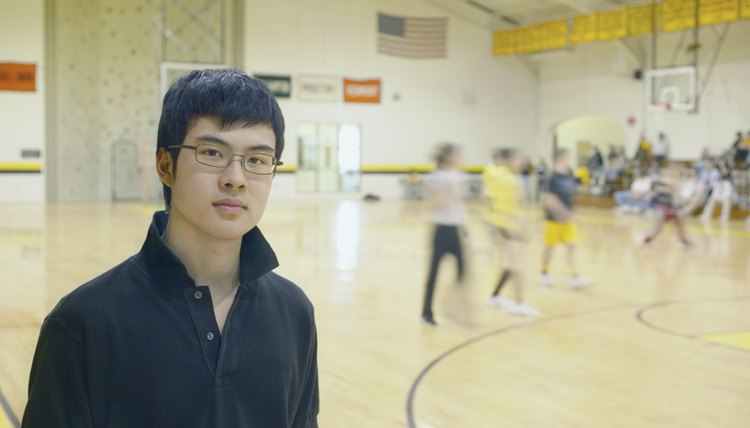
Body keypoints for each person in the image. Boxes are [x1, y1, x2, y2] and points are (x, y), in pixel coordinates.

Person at [23, 69, 319, 427]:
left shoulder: (295, 313)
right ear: (166, 165)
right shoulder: (83, 323)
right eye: (212, 152)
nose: (236, 179)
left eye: (257, 160)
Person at [483, 148, 539, 317]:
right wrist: (511, 230)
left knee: (510, 264)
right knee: (515, 263)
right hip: (500, 227)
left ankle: (494, 296)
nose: (521, 161)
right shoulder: (501, 177)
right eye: (517, 158)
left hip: (503, 226)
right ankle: (519, 303)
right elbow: (490, 200)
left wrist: (519, 226)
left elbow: (509, 205)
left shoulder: (509, 177)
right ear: (508, 160)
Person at [421, 144, 468, 326]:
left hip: (455, 228)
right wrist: (445, 194)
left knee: (462, 270)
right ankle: (427, 312)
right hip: (441, 229)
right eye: (456, 154)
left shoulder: (457, 176)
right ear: (447, 156)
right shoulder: (437, 177)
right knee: (433, 273)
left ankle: (454, 306)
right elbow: (434, 203)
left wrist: (464, 224)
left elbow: (459, 203)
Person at [540, 148, 589, 288]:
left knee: (571, 246)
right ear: (560, 158)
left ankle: (574, 276)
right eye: (568, 157)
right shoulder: (552, 177)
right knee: (549, 247)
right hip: (554, 220)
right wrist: (564, 212)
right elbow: (548, 199)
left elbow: (571, 193)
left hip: (567, 221)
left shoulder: (569, 174)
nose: (570, 160)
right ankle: (544, 273)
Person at [643, 164, 692, 249]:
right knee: (658, 227)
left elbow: (676, 191)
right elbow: (654, 192)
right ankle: (646, 241)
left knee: (680, 224)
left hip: (671, 207)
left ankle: (685, 242)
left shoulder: (674, 183)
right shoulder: (658, 182)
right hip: (661, 208)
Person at [700, 158, 734, 222]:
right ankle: (706, 214)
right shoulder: (716, 173)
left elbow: (728, 193)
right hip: (716, 193)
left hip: (726, 194)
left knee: (727, 201)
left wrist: (722, 166)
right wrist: (717, 196)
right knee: (711, 199)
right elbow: (715, 191)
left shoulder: (728, 182)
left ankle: (725, 216)